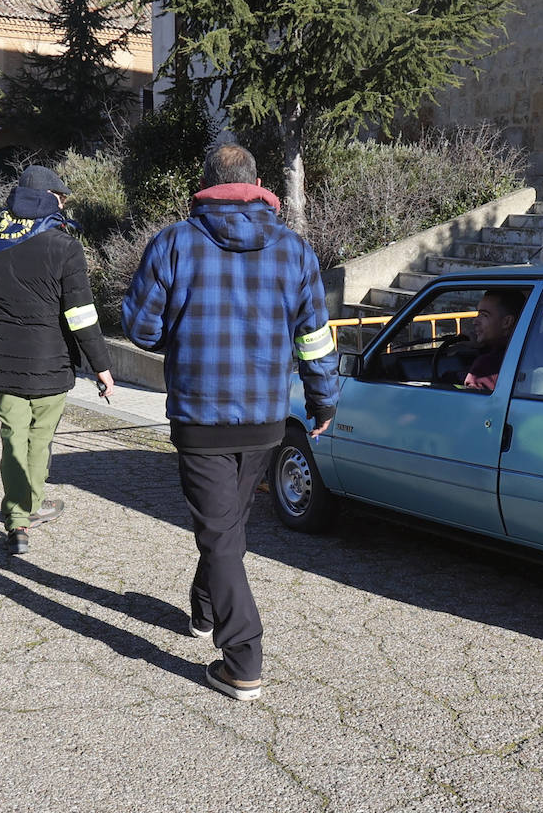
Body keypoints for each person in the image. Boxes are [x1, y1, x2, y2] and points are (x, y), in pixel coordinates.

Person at [121, 143, 339, 702]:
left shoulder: (174, 242)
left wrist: (183, 325)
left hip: (200, 413)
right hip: (267, 416)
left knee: (220, 532)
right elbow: (315, 338)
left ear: (205, 185)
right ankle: (204, 608)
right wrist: (324, 402)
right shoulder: (295, 251)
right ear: (258, 182)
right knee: (226, 527)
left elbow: (141, 330)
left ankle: (243, 657)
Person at [0, 166, 116, 555]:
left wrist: (5, 323)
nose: (64, 205)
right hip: (51, 363)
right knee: (39, 440)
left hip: (4, 362)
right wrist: (101, 365)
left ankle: (17, 519)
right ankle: (30, 506)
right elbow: (80, 314)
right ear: (49, 200)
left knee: (13, 438)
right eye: (61, 198)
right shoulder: (64, 247)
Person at [463, 289, 526, 391]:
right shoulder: (528, 352)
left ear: (507, 322)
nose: (475, 321)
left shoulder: (487, 365)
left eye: (484, 315)